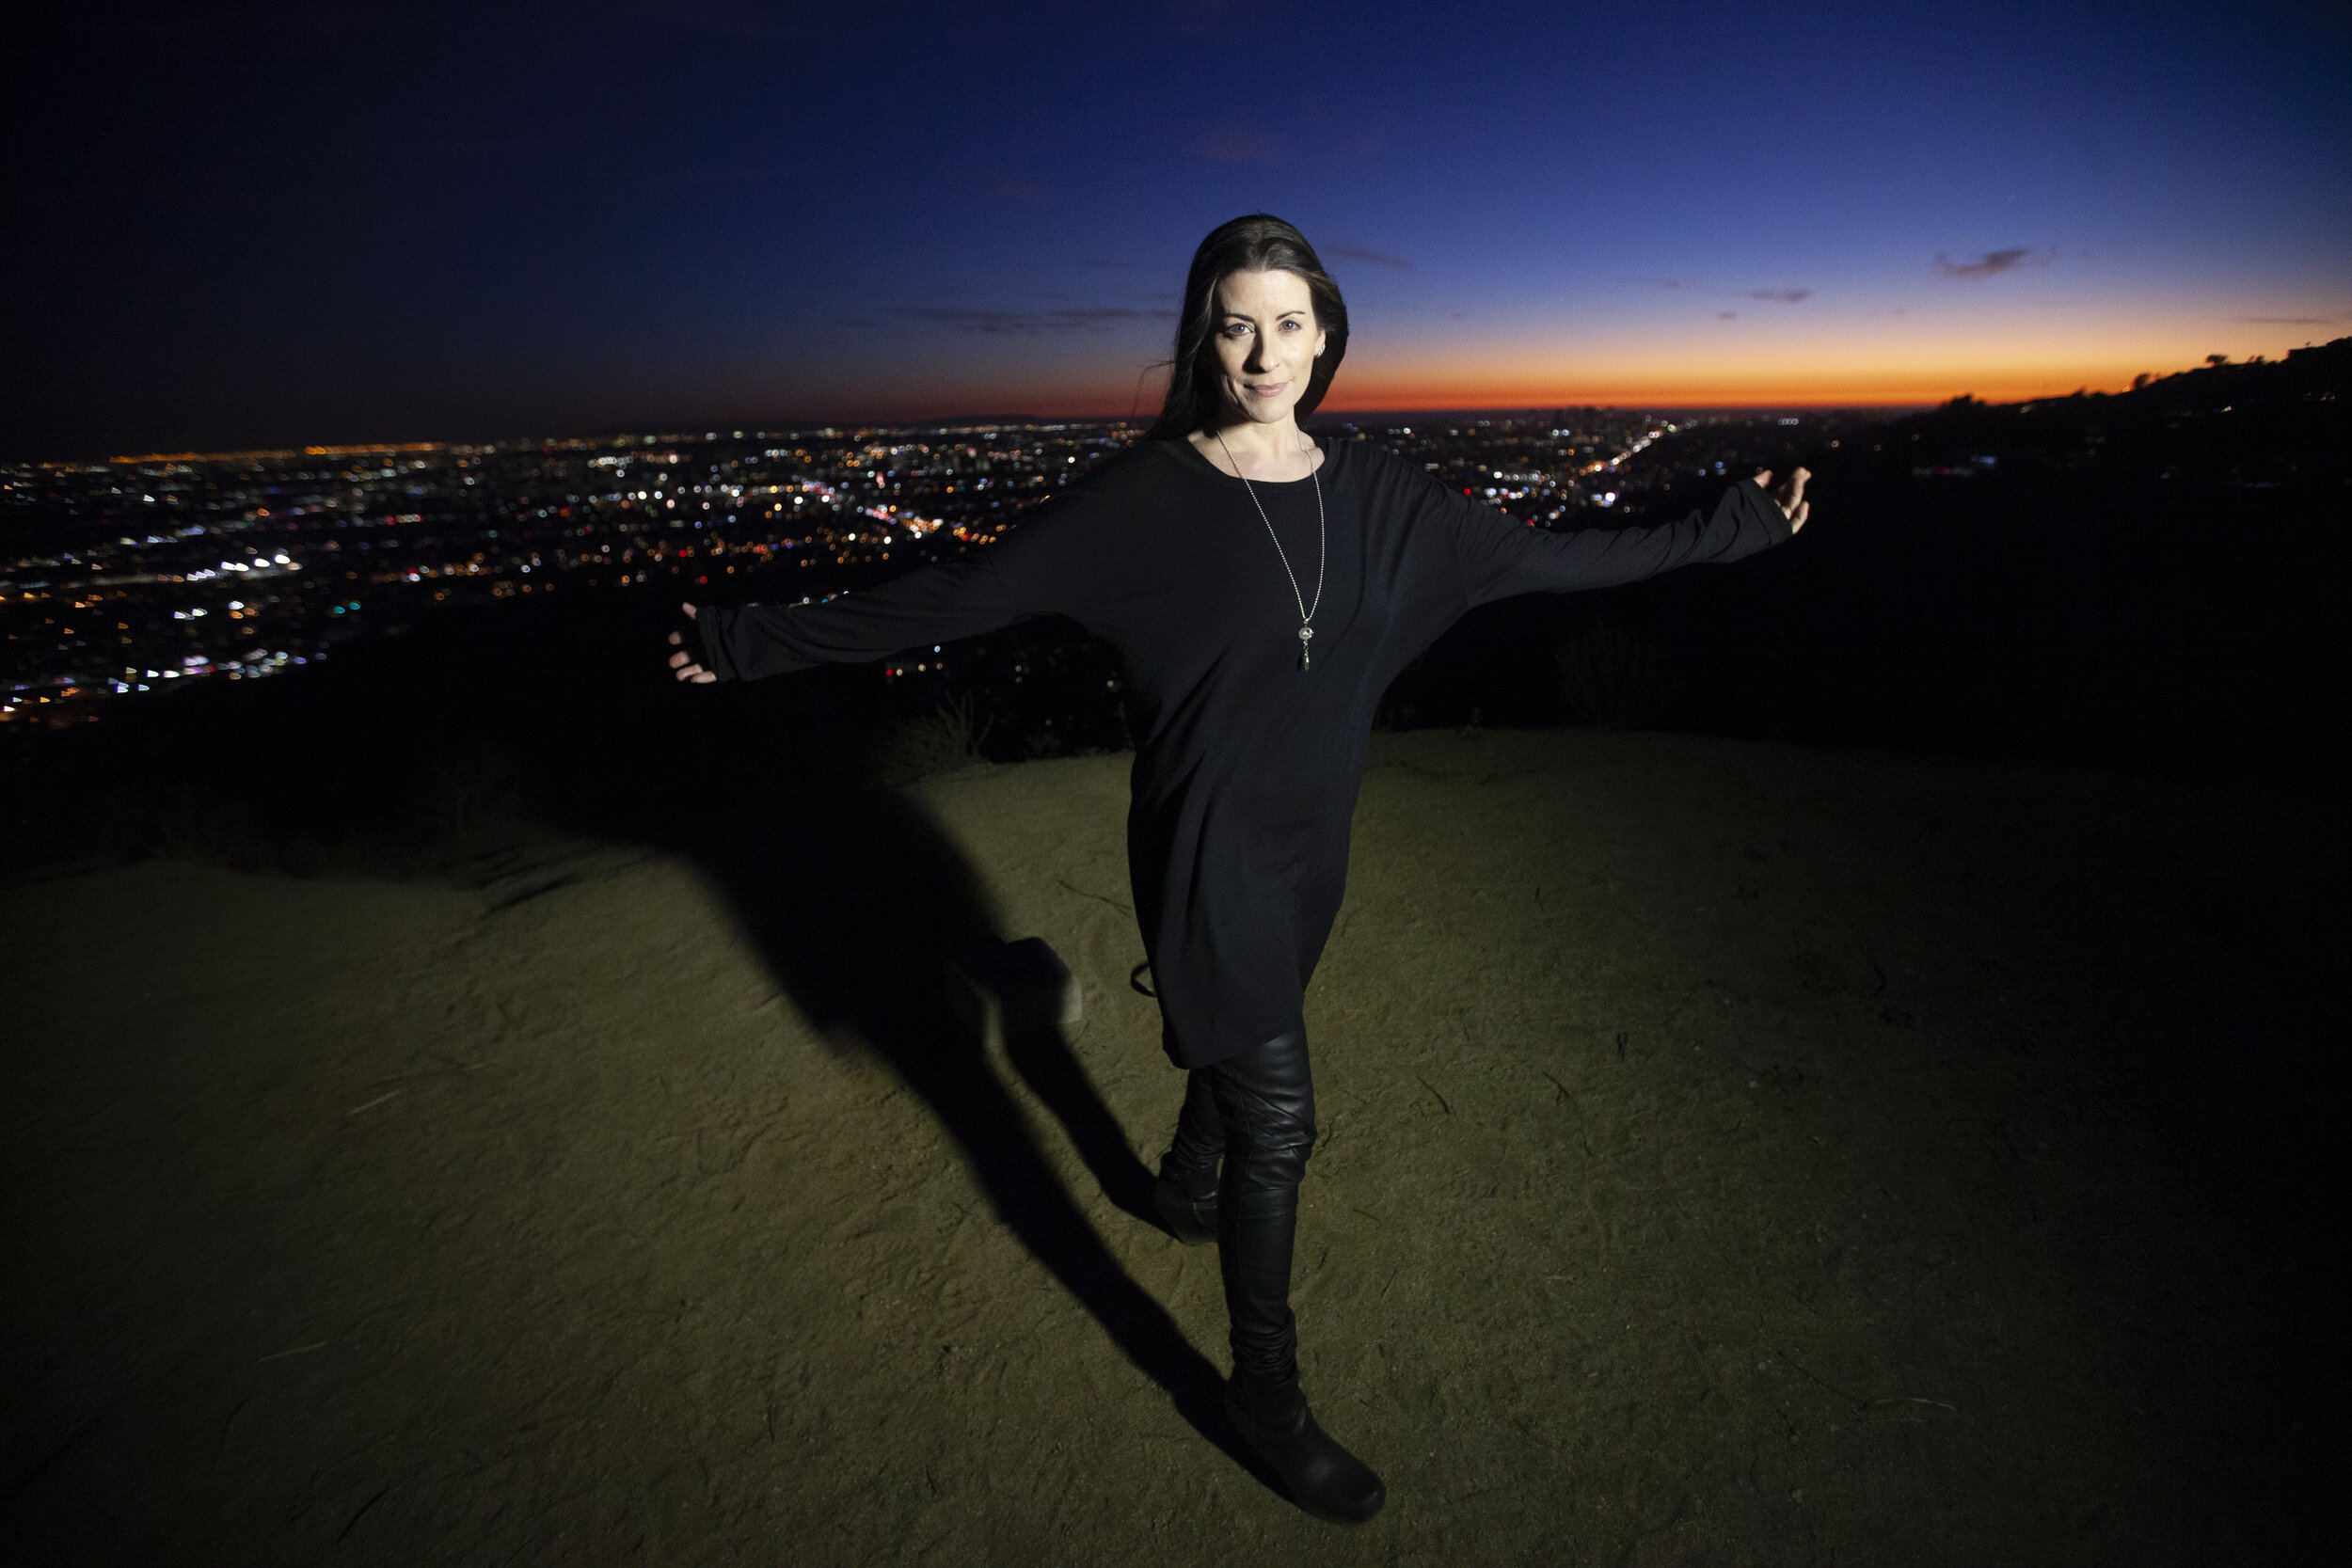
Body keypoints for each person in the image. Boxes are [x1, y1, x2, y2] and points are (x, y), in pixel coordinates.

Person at [667, 214, 1807, 1525]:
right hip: (1204, 855)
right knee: (1284, 1116)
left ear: (1327, 335)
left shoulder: (1387, 498)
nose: (1264, 350)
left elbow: (1571, 560)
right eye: (1235, 322)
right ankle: (1263, 1398)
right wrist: (747, 640)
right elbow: (957, 597)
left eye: (1289, 322)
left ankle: (1176, 1189)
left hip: (1313, 851)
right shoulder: (1143, 502)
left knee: (1247, 1048)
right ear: (1203, 337)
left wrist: (1736, 529)